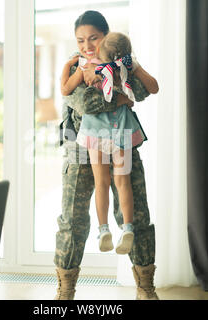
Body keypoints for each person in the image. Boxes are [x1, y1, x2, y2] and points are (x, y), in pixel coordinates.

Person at [55, 10, 159, 300]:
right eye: (80, 40)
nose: (87, 46)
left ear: (106, 37)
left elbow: (143, 89)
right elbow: (86, 103)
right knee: (72, 219)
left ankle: (145, 287)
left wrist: (129, 92)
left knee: (135, 213)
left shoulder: (122, 61)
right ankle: (65, 290)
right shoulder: (75, 65)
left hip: (120, 138)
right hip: (80, 145)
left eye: (94, 38)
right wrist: (123, 98)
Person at [62, 31, 146, 256]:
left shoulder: (87, 67)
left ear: (100, 47)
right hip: (121, 128)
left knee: (101, 182)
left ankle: (103, 230)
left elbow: (66, 89)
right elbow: (147, 89)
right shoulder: (125, 69)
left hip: (96, 130)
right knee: (123, 182)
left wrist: (69, 65)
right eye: (81, 40)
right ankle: (127, 228)